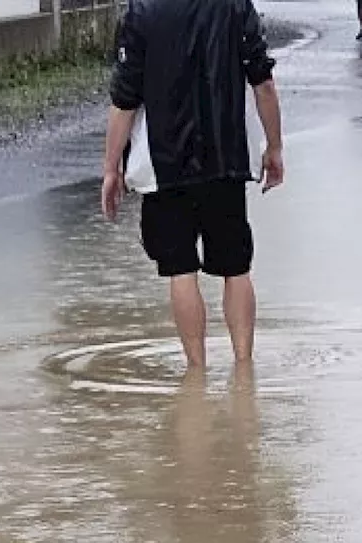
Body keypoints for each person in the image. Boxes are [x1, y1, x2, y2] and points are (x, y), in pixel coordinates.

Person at [101, 0, 285, 369]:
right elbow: (262, 81)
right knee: (236, 266)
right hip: (226, 158)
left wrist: (110, 168)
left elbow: (125, 99)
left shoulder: (143, 11)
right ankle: (244, 368)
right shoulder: (234, 4)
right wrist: (274, 147)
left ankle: (196, 373)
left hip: (164, 165)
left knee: (180, 269)